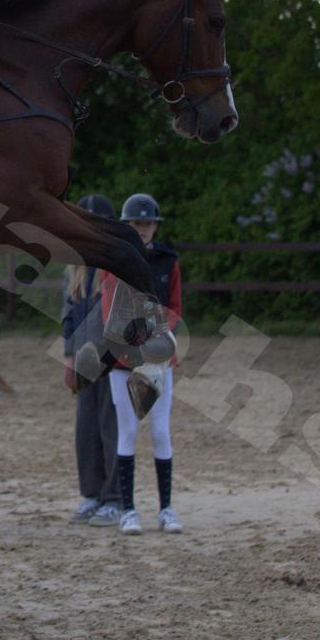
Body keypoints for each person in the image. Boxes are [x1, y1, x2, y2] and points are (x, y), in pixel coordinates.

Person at [101, 193, 184, 536]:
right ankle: (129, 510)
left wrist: (158, 336)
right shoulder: (113, 262)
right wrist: (136, 343)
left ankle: (166, 509)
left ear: (155, 226)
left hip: (159, 357)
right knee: (129, 432)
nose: (143, 228)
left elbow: (175, 307)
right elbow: (110, 312)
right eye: (137, 223)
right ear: (127, 226)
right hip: (124, 359)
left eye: (148, 223)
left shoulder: (168, 261)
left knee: (161, 432)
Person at [62, 194, 122, 528]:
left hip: (113, 358)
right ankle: (91, 493)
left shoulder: (118, 264)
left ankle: (114, 497)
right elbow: (68, 315)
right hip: (84, 358)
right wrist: (69, 356)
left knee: (111, 428)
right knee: (86, 429)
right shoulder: (75, 266)